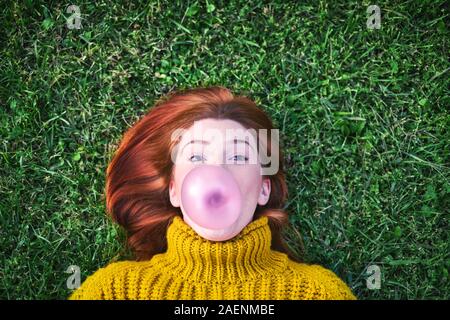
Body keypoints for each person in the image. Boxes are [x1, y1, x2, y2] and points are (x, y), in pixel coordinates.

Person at [68, 86, 356, 300]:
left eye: (239, 158)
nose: (217, 171)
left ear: (263, 189)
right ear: (174, 191)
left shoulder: (319, 292)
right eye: (195, 157)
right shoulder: (115, 290)